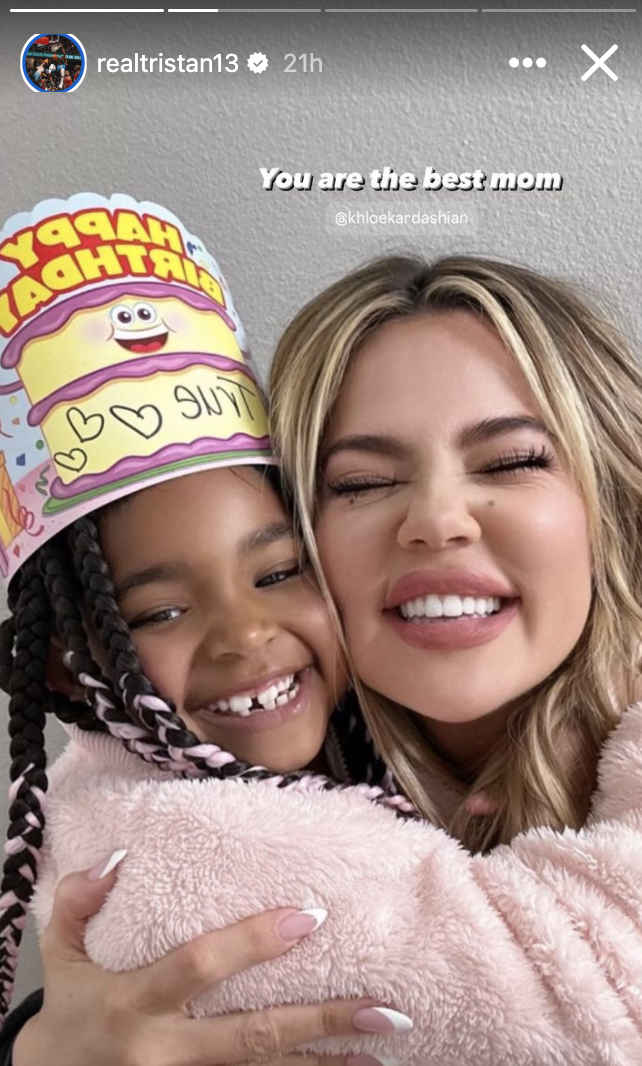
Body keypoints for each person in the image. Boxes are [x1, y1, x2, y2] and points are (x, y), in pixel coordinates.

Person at [3, 236, 642, 1064]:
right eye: (363, 483)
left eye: (513, 460)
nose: (437, 519)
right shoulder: (208, 799)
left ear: (613, 502)